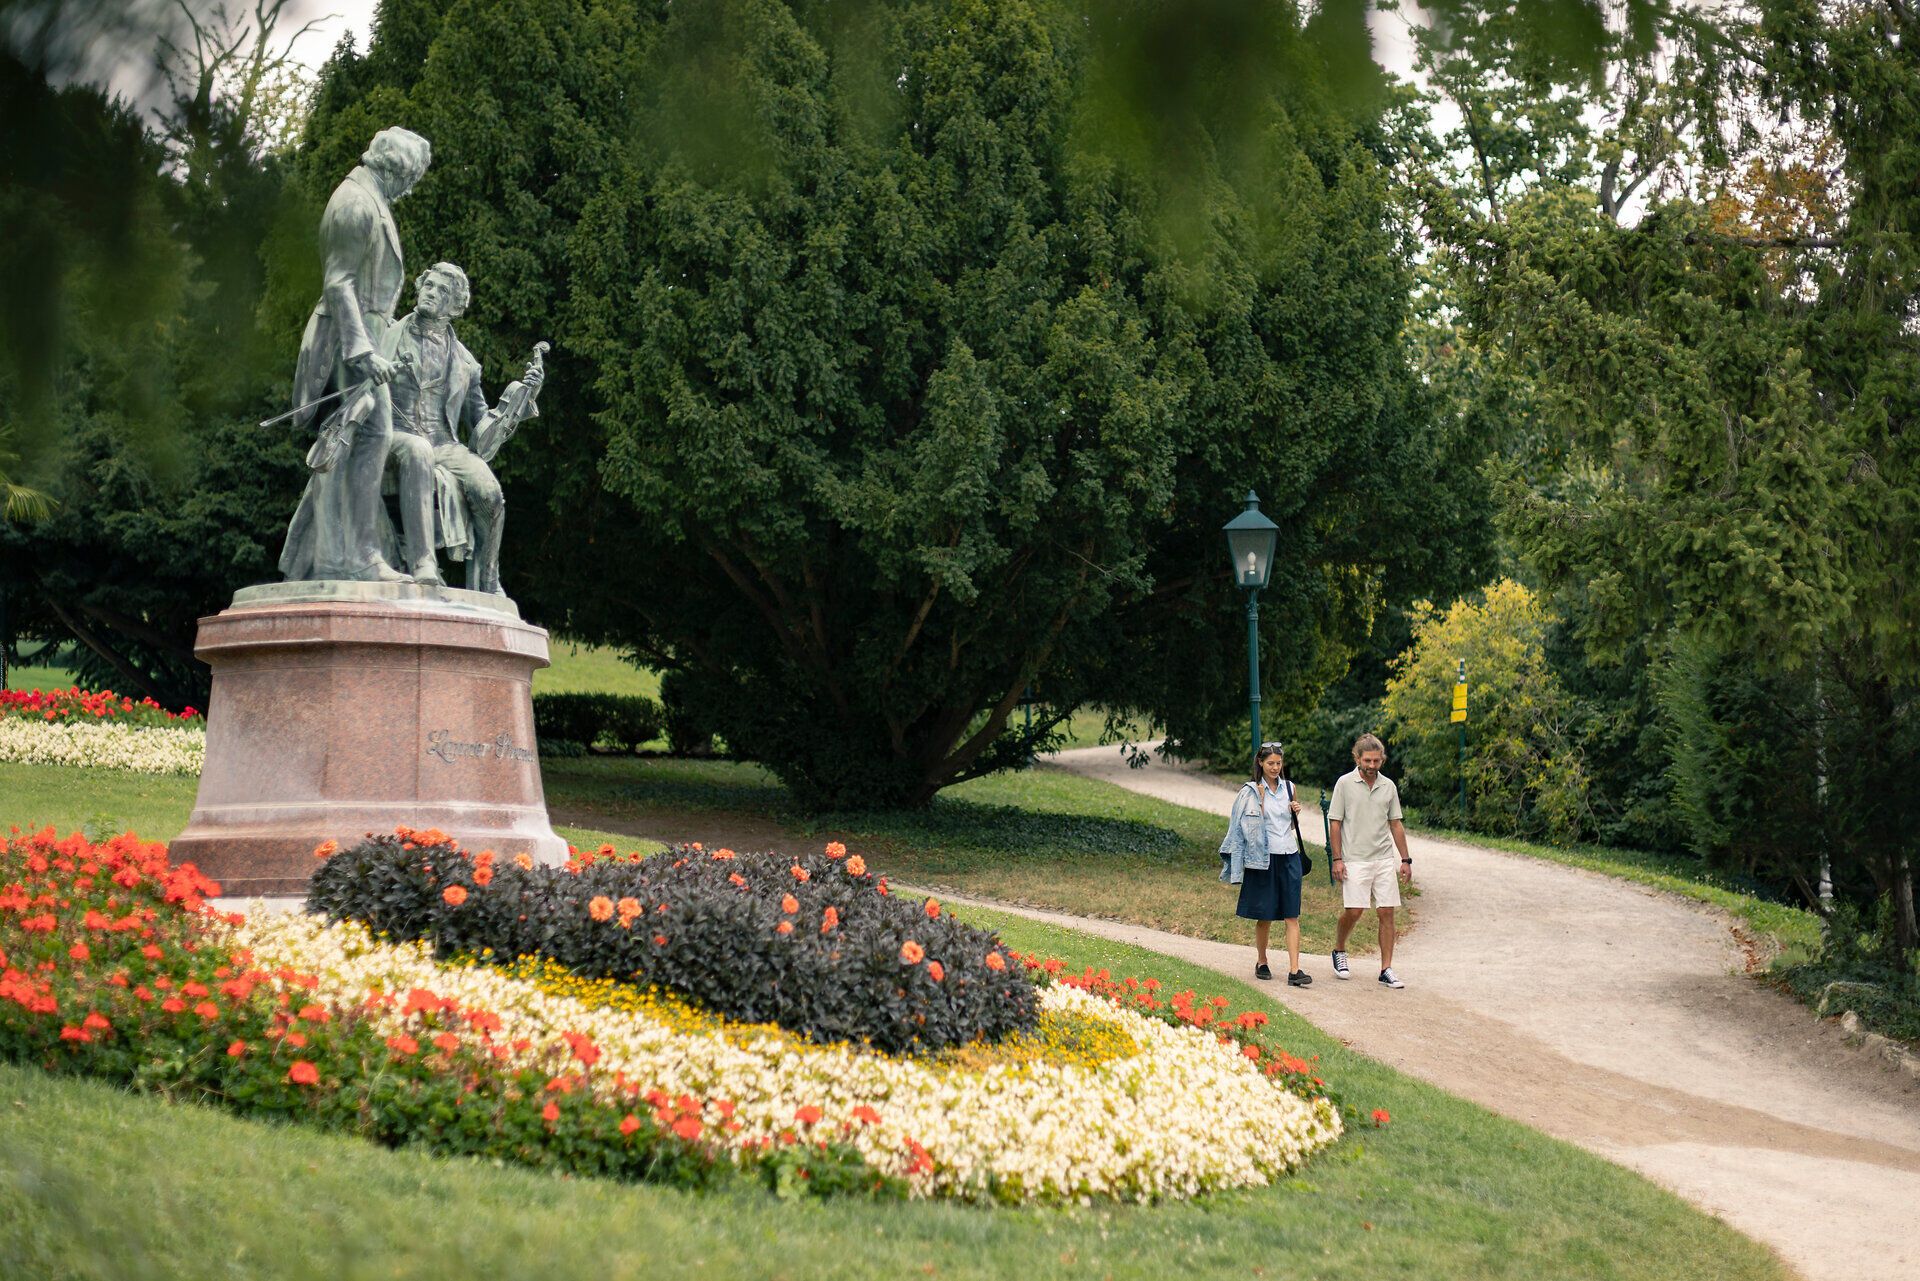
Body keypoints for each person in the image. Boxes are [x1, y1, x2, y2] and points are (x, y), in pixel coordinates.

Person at [280, 126, 432, 583]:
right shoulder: (354, 203)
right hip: (350, 339)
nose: (411, 187)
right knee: (366, 438)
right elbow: (338, 282)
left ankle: (331, 558)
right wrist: (362, 349)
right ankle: (359, 558)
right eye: (412, 177)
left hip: (364, 336)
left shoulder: (371, 199)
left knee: (352, 445)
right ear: (395, 168)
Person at [381, 262, 543, 592]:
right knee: (418, 450)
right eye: (429, 285)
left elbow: (481, 435)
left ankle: (487, 579)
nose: (431, 292)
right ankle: (421, 562)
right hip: (393, 434)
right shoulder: (386, 337)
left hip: (445, 444)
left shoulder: (466, 363)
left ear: (455, 306)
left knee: (490, 492)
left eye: (442, 290)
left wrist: (520, 399)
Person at [1220, 742, 1311, 986]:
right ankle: (1262, 961)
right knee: (1266, 915)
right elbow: (1246, 827)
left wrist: (1296, 813)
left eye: (1278, 763)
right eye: (1270, 763)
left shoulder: (1290, 788)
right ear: (1260, 763)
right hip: (1264, 858)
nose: (1275, 768)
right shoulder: (1251, 790)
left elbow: (1290, 827)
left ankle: (1295, 970)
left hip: (1289, 855)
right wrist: (1259, 803)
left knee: (1292, 915)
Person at [1326, 732, 1412, 988]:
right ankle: (1339, 949)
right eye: (1368, 761)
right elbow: (1335, 823)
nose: (1372, 766)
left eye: (1376, 761)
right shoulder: (1344, 783)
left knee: (1386, 912)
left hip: (1383, 858)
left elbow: (1395, 824)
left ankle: (1386, 968)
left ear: (1382, 760)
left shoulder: (1389, 786)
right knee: (1354, 911)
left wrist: (1405, 859)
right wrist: (1337, 858)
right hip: (1354, 859)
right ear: (1357, 758)